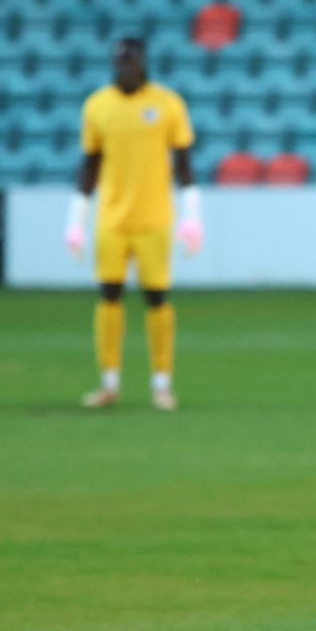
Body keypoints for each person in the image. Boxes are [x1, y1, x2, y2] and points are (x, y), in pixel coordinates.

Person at [66, 37, 203, 412]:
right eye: (119, 61)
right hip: (111, 218)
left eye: (131, 61)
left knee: (157, 299)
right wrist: (75, 219)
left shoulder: (167, 103)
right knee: (109, 296)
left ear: (143, 62)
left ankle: (162, 383)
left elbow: (184, 163)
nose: (125, 67)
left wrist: (193, 215)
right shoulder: (98, 105)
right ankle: (108, 382)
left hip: (154, 217)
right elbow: (90, 164)